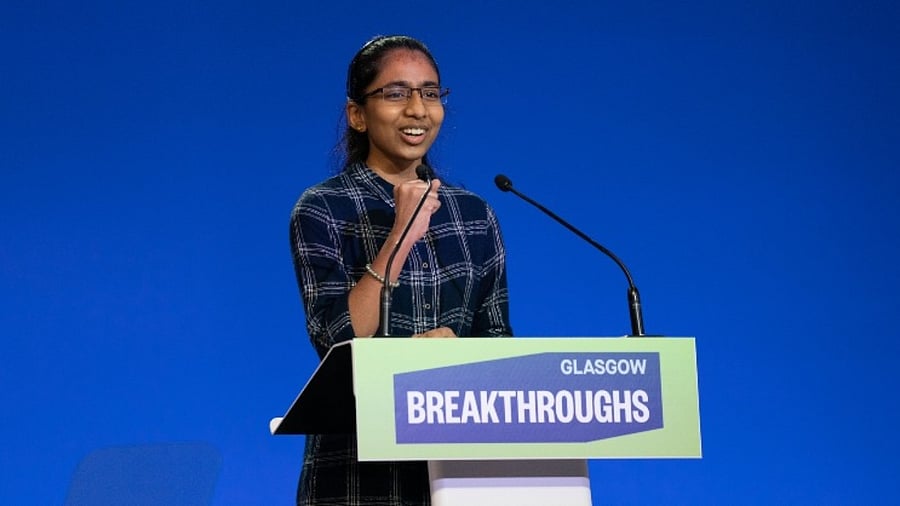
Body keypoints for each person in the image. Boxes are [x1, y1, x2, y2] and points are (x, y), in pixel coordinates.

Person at [288, 34, 513, 505]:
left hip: (460, 472)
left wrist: (455, 357)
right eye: (396, 93)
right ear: (357, 114)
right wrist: (401, 237)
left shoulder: (475, 214)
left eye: (430, 93)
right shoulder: (324, 209)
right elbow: (336, 338)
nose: (417, 109)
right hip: (357, 473)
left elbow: (498, 341)